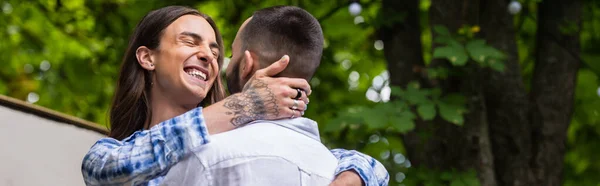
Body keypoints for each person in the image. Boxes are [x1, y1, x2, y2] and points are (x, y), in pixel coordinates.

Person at [81, 6, 388, 186]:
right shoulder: (109, 154)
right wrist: (243, 104)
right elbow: (105, 169)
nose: (208, 56)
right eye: (190, 41)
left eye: (215, 51)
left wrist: (354, 175)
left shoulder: (233, 144)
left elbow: (370, 167)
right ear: (147, 57)